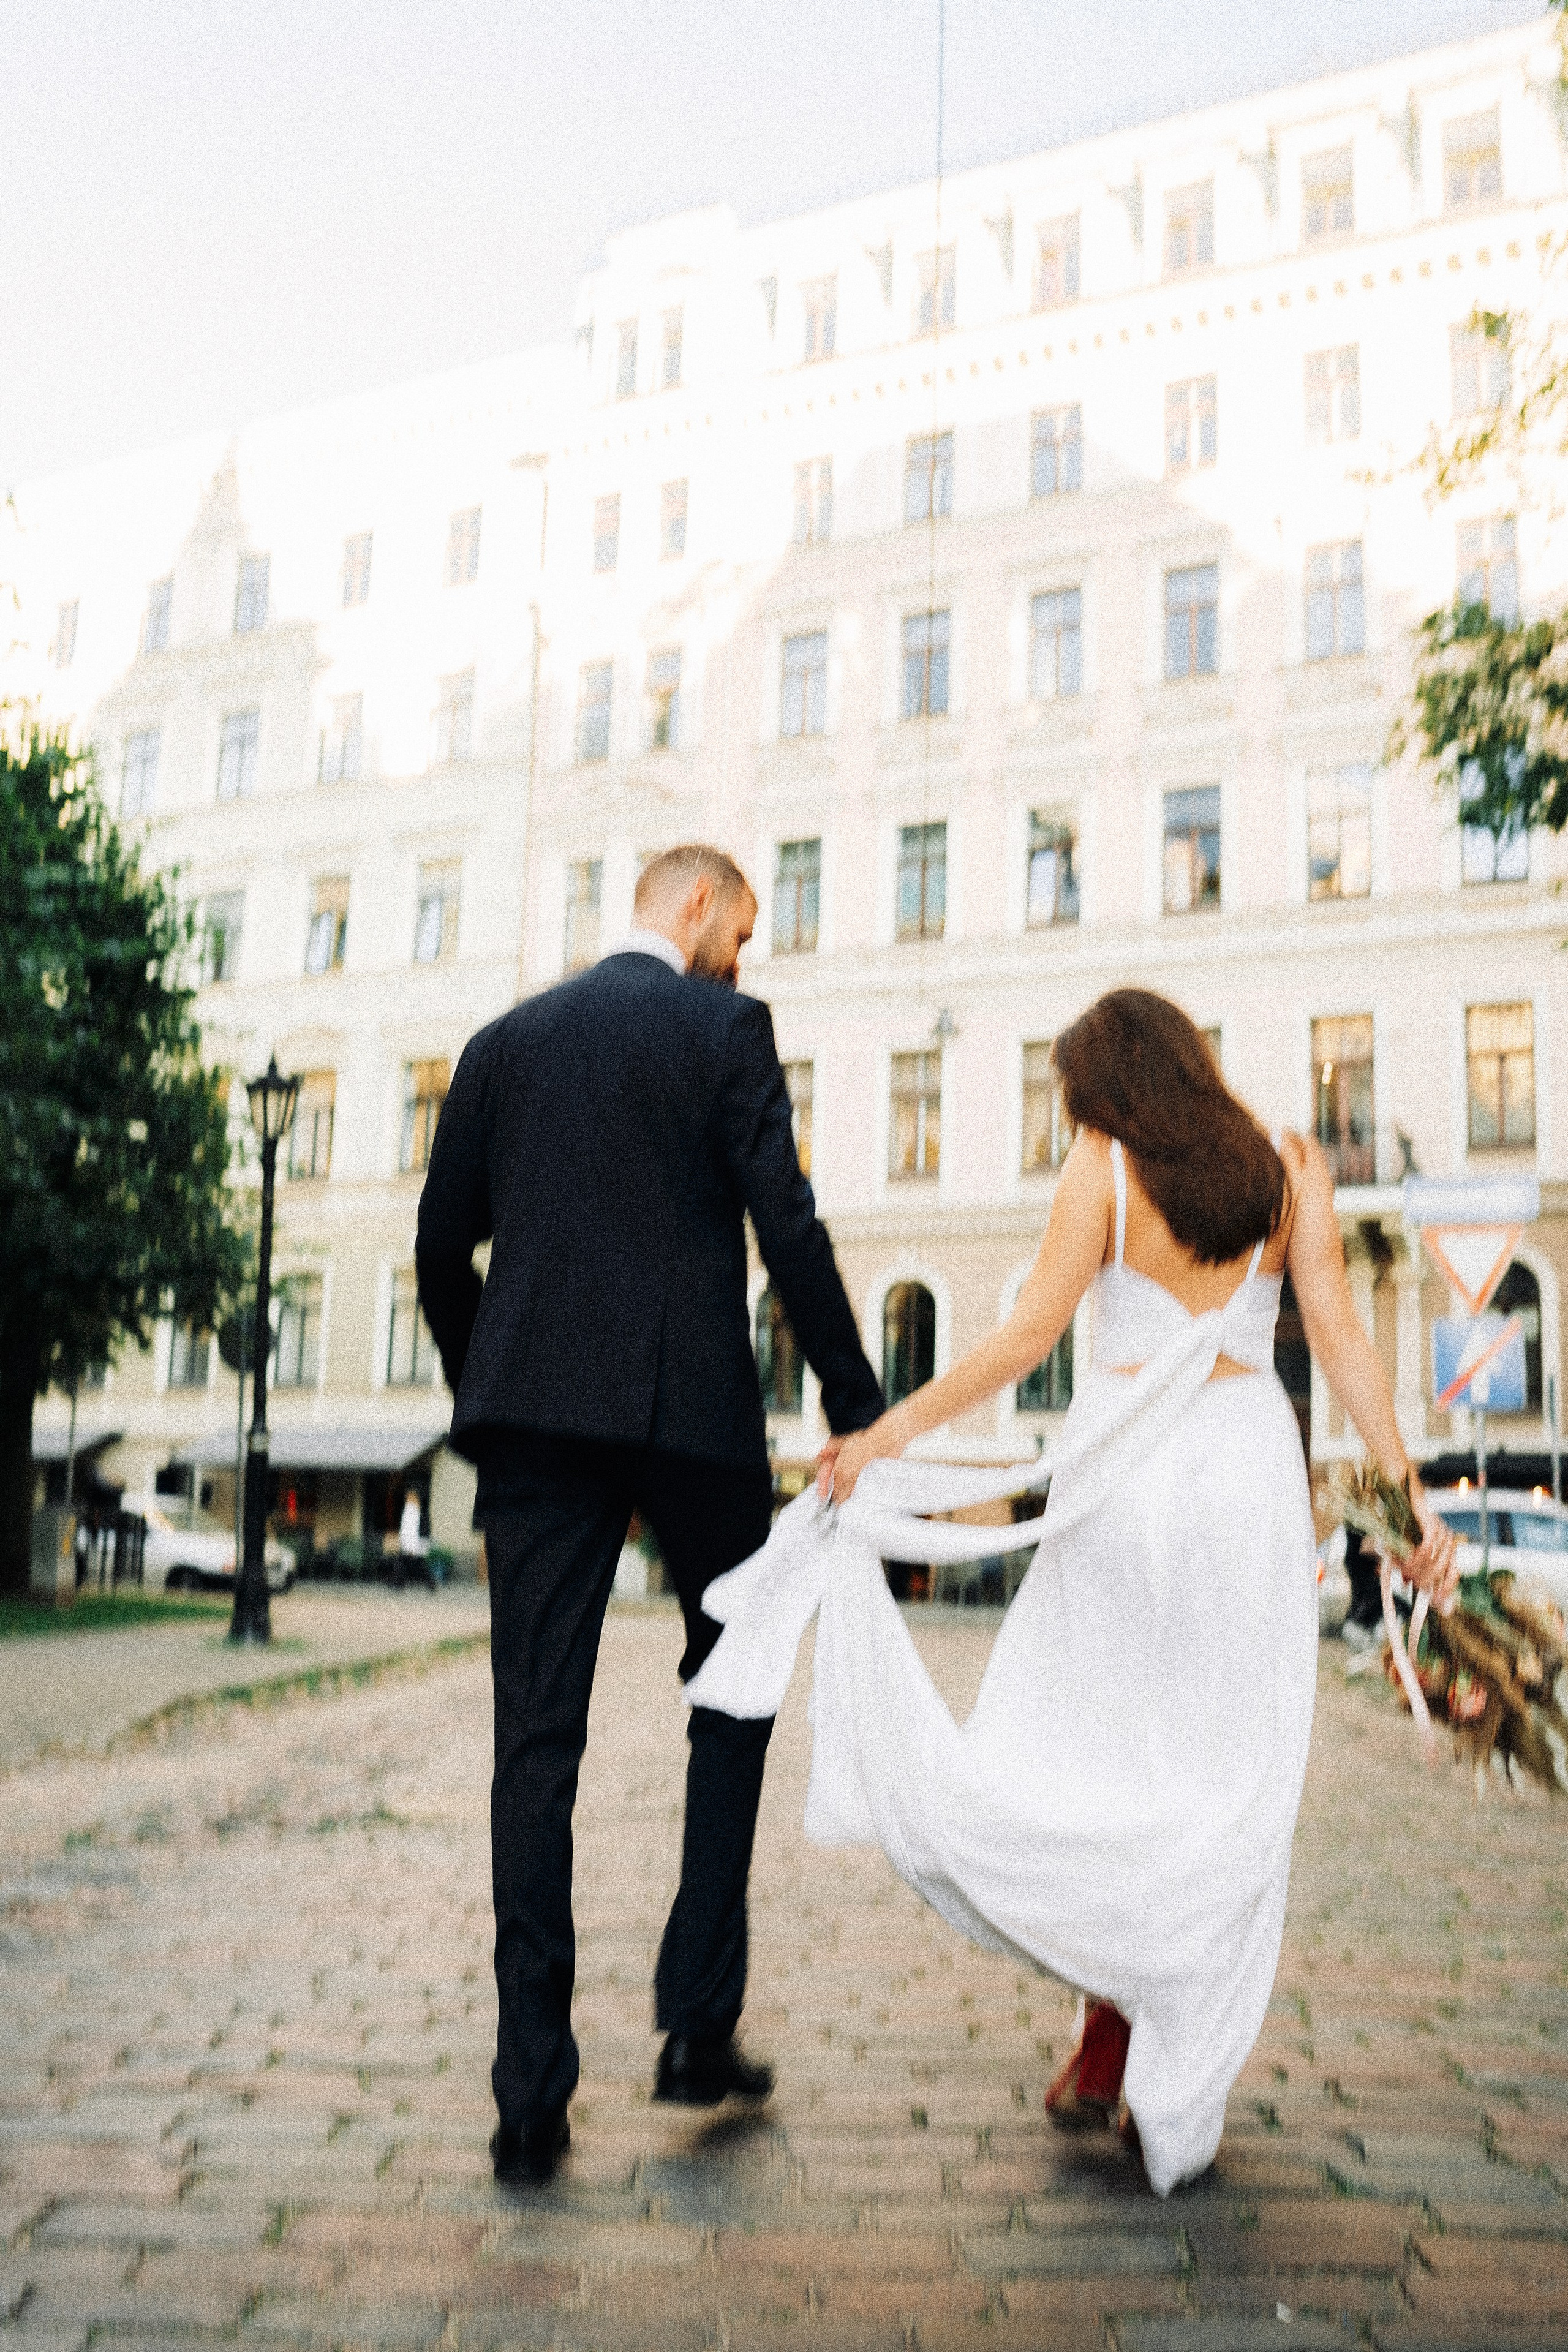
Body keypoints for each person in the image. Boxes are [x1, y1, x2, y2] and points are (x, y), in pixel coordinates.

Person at [688, 988, 1457, 2195]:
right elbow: (1343, 1341)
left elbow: (1019, 1341)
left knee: (1085, 1755)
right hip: (1240, 1476)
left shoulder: (1102, 1165)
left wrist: (884, 1434)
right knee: (1218, 1771)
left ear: (1107, 1084)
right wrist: (1409, 1496)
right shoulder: (1285, 1166)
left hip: (1124, 1485)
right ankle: (1145, 2062)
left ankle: (1105, 2029)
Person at [415, 843, 883, 2185]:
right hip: (691, 1413)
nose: (743, 955)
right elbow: (785, 1228)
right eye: (739, 928)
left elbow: (442, 1250)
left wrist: (489, 1378)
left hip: (533, 1422)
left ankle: (528, 2091)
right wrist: (855, 1407)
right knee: (731, 1692)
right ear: (692, 910)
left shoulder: (502, 1042)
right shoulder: (722, 1025)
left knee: (534, 1741)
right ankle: (694, 2027)